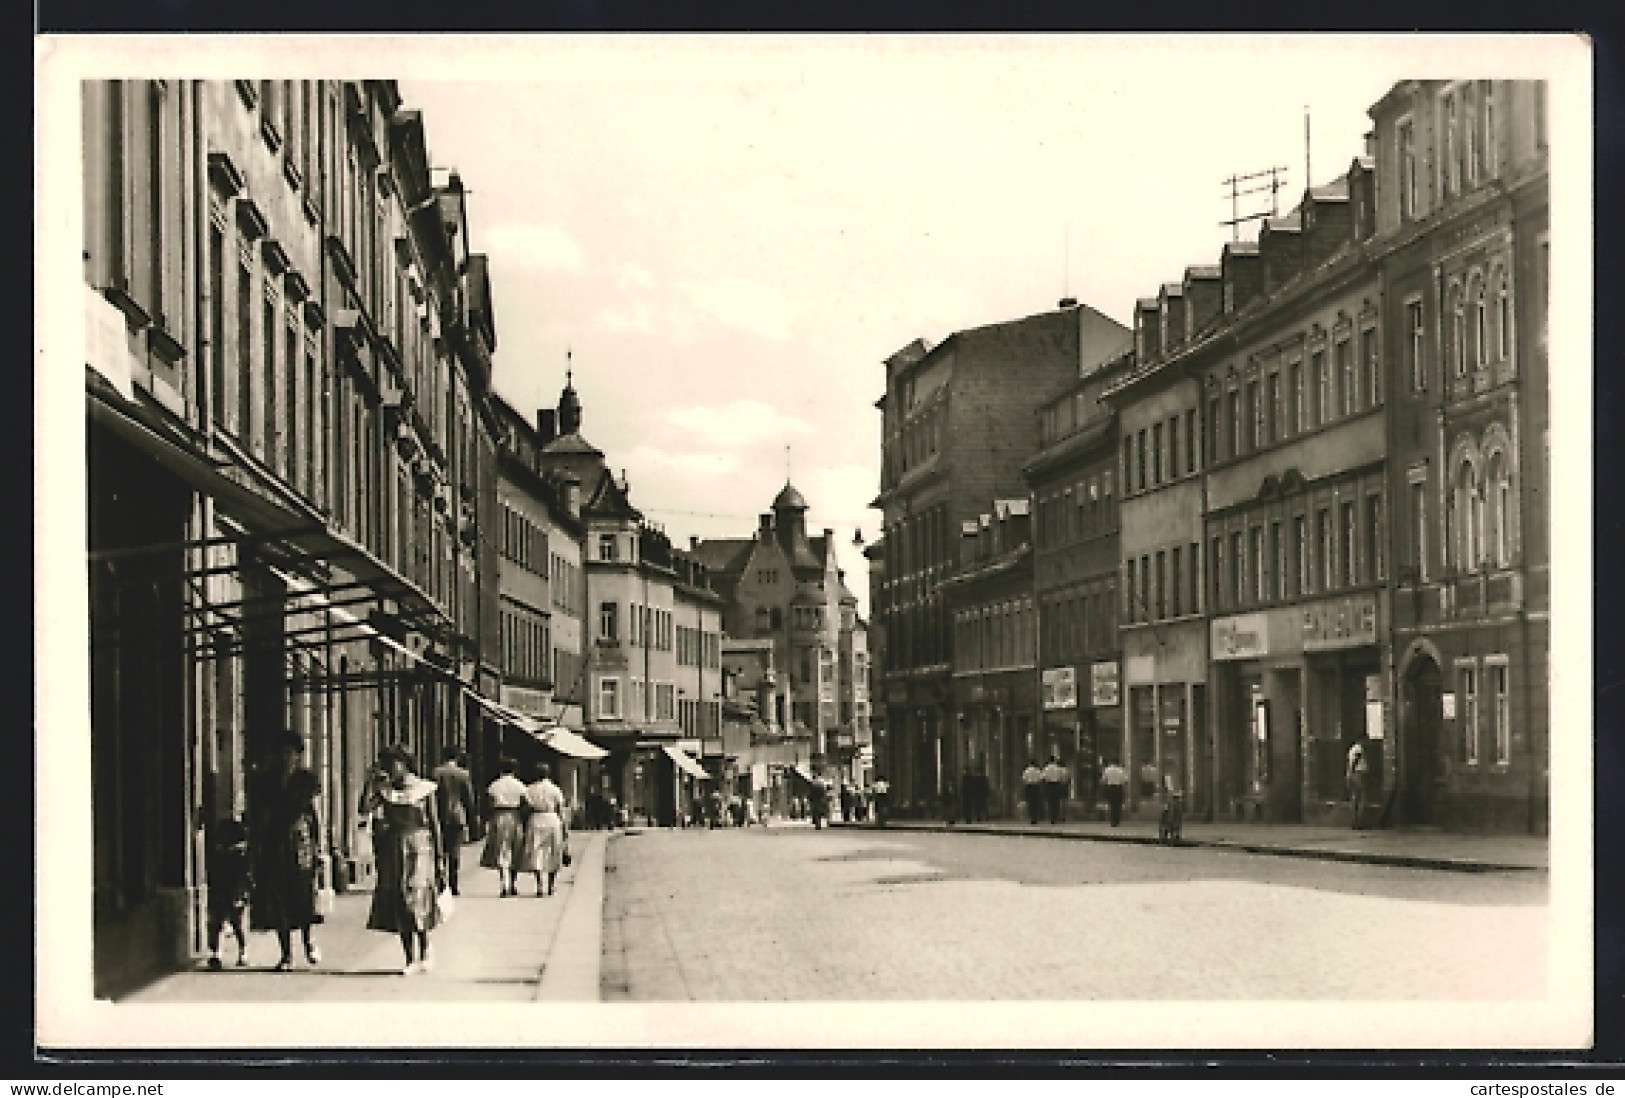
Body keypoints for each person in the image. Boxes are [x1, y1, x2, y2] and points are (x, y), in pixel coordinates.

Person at [363, 744, 446, 976]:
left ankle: (426, 948)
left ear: (405, 763)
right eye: (386, 764)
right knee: (399, 899)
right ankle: (409, 957)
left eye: (393, 763)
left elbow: (434, 823)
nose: (391, 769)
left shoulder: (424, 789)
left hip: (419, 846)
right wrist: (371, 784)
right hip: (393, 848)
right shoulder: (385, 790)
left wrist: (440, 857)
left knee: (416, 896)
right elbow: (364, 809)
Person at [251, 731, 322, 972]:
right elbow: (261, 816)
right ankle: (286, 954)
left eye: (290, 753)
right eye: (281, 753)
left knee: (302, 895)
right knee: (278, 897)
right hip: (275, 843)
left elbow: (314, 815)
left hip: (300, 843)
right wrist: (257, 845)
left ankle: (308, 941)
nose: (285, 757)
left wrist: (318, 847)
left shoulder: (306, 781)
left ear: (298, 756)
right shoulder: (266, 782)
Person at [204, 815, 252, 970]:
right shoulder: (223, 855)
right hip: (224, 889)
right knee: (220, 921)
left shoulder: (239, 856)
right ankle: (218, 952)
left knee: (234, 921)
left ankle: (241, 951)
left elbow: (244, 874)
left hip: (233, 889)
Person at [517, 762, 569, 897]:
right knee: (554, 851)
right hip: (552, 819)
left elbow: (525, 808)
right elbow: (560, 809)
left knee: (536, 852)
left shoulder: (529, 789)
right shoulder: (555, 789)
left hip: (536, 819)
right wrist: (565, 827)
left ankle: (539, 884)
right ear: (548, 774)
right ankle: (551, 884)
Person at [430, 747, 476, 896]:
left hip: (438, 814)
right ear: (457, 758)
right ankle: (453, 883)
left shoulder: (435, 773)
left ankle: (440, 882)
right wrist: (471, 817)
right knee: (455, 852)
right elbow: (468, 798)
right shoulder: (463, 774)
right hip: (457, 815)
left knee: (439, 849)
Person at [480, 756, 527, 897]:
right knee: (516, 849)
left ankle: (503, 883)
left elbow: (488, 803)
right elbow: (525, 803)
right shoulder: (519, 785)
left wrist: (487, 819)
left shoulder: (494, 785)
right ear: (515, 770)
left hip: (498, 816)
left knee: (501, 849)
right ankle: (512, 883)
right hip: (515, 816)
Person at [1346, 734, 1371, 829]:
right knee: (1362, 798)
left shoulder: (1352, 749)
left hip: (1355, 773)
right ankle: (1359, 821)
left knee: (1355, 797)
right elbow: (1355, 761)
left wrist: (1349, 773)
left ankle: (1354, 821)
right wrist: (1352, 771)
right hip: (1359, 773)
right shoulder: (1359, 749)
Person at [1100, 760, 1129, 827]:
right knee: (1118, 805)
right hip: (1118, 788)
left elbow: (1103, 780)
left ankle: (1112, 821)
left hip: (1110, 788)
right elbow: (1125, 780)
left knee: (1111, 804)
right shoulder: (1121, 770)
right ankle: (1117, 820)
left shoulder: (1107, 770)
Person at [1042, 754, 1069, 824]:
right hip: (1057, 785)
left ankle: (1051, 817)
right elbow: (1062, 777)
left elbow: (1043, 777)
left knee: (1050, 802)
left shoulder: (1046, 768)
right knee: (1056, 802)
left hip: (1049, 785)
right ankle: (1056, 816)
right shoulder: (1058, 768)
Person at [1021, 759, 1044, 825]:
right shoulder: (1038, 771)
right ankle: (1036, 817)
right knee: (1036, 802)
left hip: (1029, 787)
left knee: (1030, 803)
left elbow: (1024, 779)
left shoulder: (1026, 771)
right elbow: (1041, 779)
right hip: (1036, 787)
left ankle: (1032, 818)